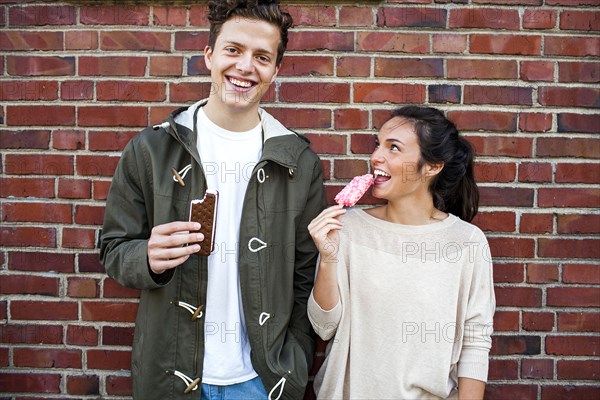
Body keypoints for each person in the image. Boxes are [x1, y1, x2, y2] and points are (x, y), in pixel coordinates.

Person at [100, 1, 326, 399]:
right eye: (233, 50)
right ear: (209, 56)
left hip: (261, 379)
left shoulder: (298, 162)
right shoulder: (152, 149)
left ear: (275, 69)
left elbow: (306, 275)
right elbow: (114, 249)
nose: (245, 67)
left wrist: (295, 357)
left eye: (261, 57)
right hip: (171, 374)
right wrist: (147, 258)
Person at [307, 106, 496, 400]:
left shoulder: (467, 242)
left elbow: (475, 340)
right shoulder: (346, 228)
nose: (376, 157)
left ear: (432, 166)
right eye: (377, 145)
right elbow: (323, 327)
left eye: (393, 148)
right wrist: (328, 259)